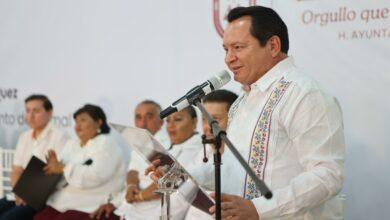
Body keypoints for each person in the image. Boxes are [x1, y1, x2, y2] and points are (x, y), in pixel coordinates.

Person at [150, 6, 346, 220]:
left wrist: (259, 209)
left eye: (238, 47)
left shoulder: (304, 94)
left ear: (272, 45)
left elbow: (327, 175)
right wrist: (179, 176)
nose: (228, 59)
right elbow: (231, 169)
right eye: (226, 49)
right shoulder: (243, 101)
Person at [33, 104, 126, 220]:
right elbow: (61, 172)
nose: (78, 126)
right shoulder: (72, 143)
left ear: (98, 122)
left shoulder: (107, 144)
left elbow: (96, 175)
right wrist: (52, 168)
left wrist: (62, 168)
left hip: (90, 203)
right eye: (76, 122)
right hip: (62, 201)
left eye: (83, 120)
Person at [113, 106, 203, 220]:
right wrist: (131, 187)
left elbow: (170, 182)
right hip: (135, 210)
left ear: (194, 122)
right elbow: (134, 169)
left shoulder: (196, 149)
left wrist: (138, 196)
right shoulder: (169, 145)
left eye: (178, 119)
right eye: (168, 120)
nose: (171, 125)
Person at [0, 94, 68, 220]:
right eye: (27, 111)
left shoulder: (60, 137)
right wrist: (18, 193)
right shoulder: (24, 137)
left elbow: (58, 173)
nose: (30, 116)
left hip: (43, 198)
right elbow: (17, 169)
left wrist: (29, 195)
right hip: (18, 194)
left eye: (36, 111)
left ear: (49, 113)